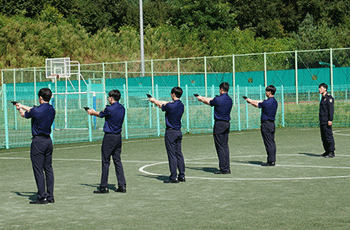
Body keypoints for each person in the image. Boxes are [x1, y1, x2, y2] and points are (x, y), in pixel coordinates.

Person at [14, 88, 55, 204]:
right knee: (48, 169)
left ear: (40, 98)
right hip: (48, 141)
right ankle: (50, 195)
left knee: (38, 169)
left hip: (38, 142)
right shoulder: (52, 110)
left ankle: (42, 196)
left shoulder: (36, 111)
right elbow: (34, 109)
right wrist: (22, 105)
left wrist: (19, 109)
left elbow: (25, 114)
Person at [87, 90, 127, 193]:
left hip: (109, 137)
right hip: (118, 136)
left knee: (105, 161)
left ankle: (104, 186)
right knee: (117, 160)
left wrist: (92, 112)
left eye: (109, 97)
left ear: (112, 98)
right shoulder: (122, 108)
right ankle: (122, 185)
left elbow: (100, 114)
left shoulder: (109, 109)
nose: (108, 99)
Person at [148, 87, 185, 183]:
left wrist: (153, 101)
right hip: (178, 132)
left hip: (171, 132)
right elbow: (165, 103)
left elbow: (161, 105)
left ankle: (173, 176)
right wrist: (156, 100)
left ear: (173, 94)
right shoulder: (181, 105)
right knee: (179, 154)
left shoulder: (170, 106)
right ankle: (182, 175)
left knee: (172, 155)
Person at [197, 82, 233, 174]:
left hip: (219, 124)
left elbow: (209, 102)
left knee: (220, 146)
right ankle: (227, 166)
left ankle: (223, 168)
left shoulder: (218, 99)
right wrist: (203, 98)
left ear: (221, 89)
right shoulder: (229, 99)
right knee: (225, 146)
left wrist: (201, 99)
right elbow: (212, 100)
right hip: (226, 123)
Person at [244, 85, 278, 166]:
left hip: (266, 124)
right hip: (272, 124)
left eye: (266, 91)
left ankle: (270, 161)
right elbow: (261, 101)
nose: (265, 92)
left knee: (268, 143)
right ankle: (272, 159)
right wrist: (251, 100)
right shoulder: (274, 101)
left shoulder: (267, 102)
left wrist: (250, 101)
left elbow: (258, 105)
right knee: (272, 142)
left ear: (269, 92)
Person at [318, 83, 335, 158]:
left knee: (328, 136)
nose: (319, 89)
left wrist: (330, 120)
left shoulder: (329, 98)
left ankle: (331, 151)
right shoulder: (323, 98)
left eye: (320, 88)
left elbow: (331, 110)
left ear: (325, 89)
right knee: (323, 137)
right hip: (322, 121)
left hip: (327, 121)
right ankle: (327, 151)